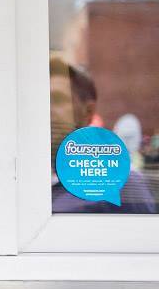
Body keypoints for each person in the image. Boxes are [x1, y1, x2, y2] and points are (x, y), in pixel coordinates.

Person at [49, 56, 156, 214]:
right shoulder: (27, 182)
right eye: (39, 100)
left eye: (57, 100)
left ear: (88, 111)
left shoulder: (120, 182)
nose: (45, 110)